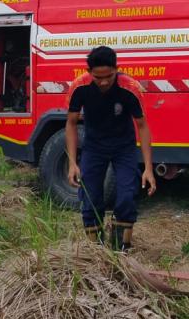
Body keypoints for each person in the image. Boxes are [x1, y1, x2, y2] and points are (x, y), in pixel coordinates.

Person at [66, 46, 157, 252]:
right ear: (89, 73)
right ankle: (96, 254)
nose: (104, 82)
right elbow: (71, 123)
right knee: (89, 198)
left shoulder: (130, 87)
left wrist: (149, 169)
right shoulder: (79, 87)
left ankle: (120, 250)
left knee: (127, 195)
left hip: (123, 147)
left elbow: (142, 126)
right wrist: (72, 163)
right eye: (98, 77)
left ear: (117, 69)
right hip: (93, 147)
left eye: (109, 76)